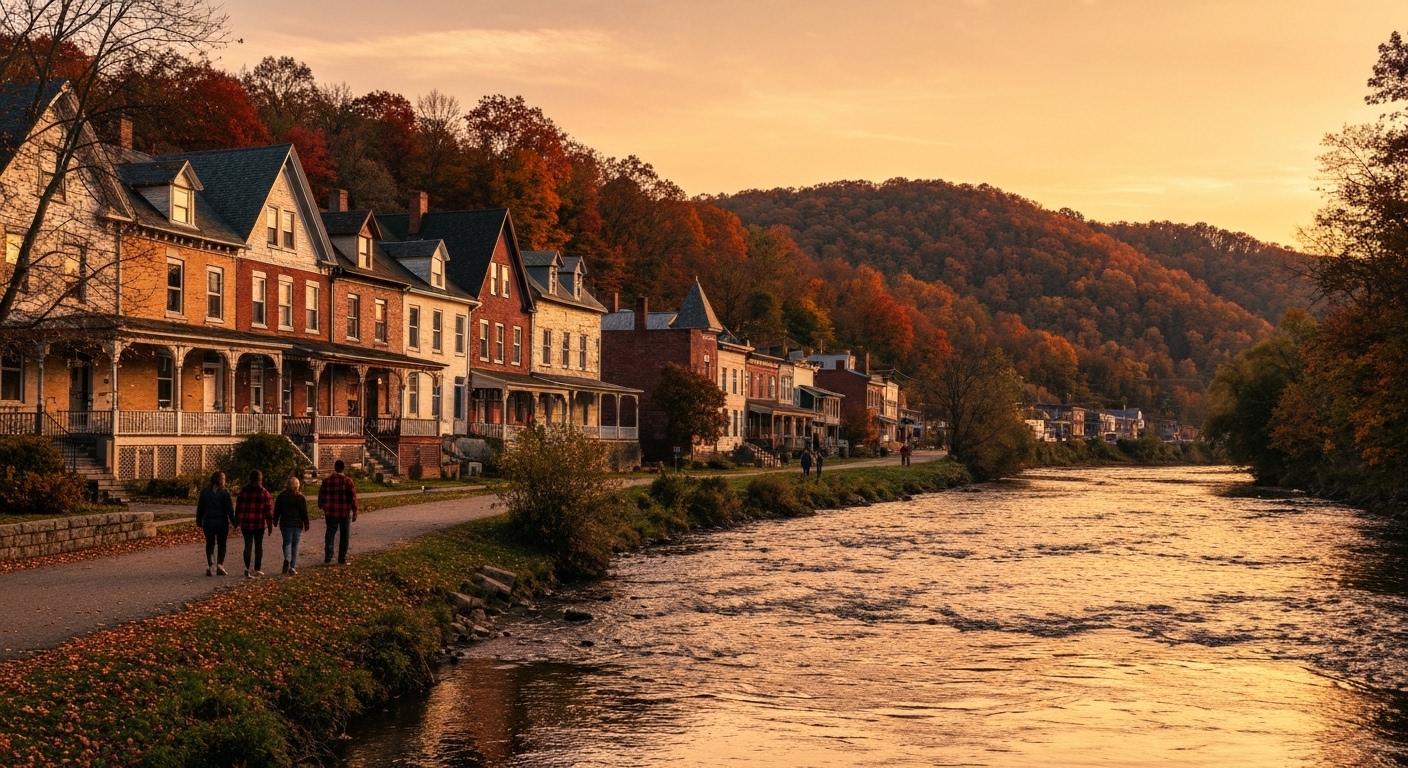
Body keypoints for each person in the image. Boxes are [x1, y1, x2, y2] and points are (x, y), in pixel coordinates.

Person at [319, 459, 359, 565]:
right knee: (344, 535)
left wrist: (321, 505)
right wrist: (355, 510)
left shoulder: (327, 481)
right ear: (343, 468)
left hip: (330, 511)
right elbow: (353, 497)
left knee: (330, 532)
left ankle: (328, 554)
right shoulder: (348, 481)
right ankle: (342, 558)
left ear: (335, 467)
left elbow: (321, 494)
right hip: (344, 512)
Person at [235, 469, 274, 578]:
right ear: (260, 479)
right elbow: (269, 511)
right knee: (258, 546)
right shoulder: (264, 493)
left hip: (246, 523)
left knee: (247, 546)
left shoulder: (244, 491)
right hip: (259, 523)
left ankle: (247, 568)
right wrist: (270, 525)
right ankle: (257, 568)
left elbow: (238, 507)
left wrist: (237, 521)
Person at [195, 471, 234, 577]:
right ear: (220, 480)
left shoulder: (205, 492)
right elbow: (229, 509)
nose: (225, 481)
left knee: (210, 543)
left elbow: (200, 508)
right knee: (222, 544)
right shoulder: (225, 494)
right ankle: (220, 565)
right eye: (224, 479)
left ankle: (211, 564)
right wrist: (234, 522)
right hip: (221, 522)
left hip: (209, 522)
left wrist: (199, 521)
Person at [274, 476, 310, 575]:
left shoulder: (281, 496)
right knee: (295, 545)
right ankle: (293, 567)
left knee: (286, 543)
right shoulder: (301, 497)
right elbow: (304, 512)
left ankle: (287, 557)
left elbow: (277, 510)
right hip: (297, 524)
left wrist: (275, 520)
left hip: (285, 524)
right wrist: (306, 523)